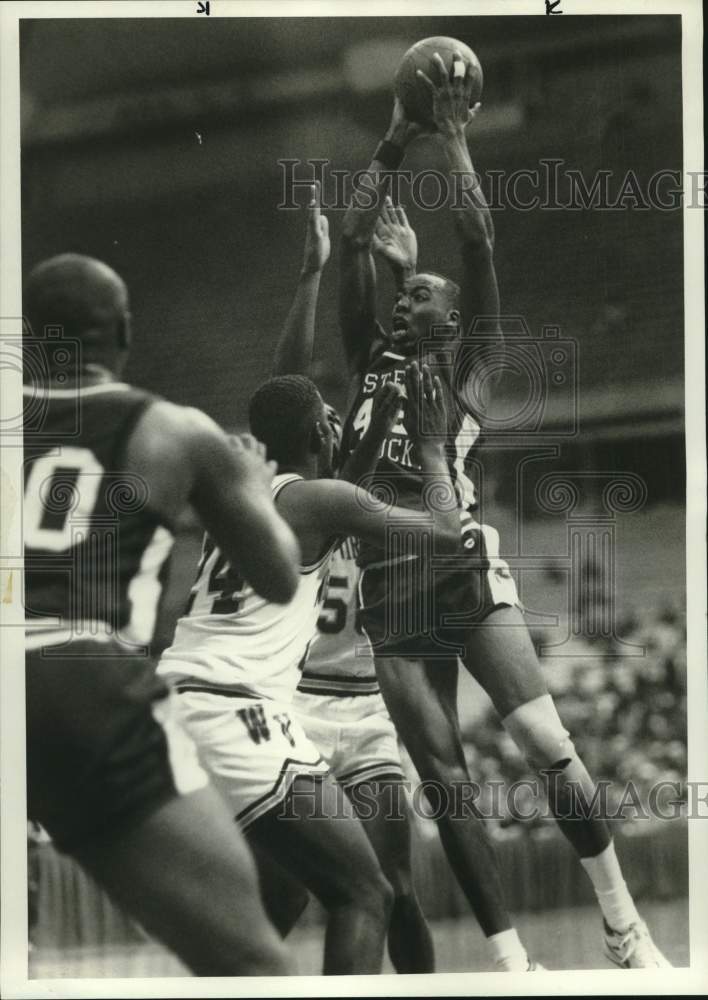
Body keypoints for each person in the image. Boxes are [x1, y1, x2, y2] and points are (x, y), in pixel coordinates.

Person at [338, 51, 670, 969]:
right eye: (401, 294)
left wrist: (448, 138)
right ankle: (513, 968)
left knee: (541, 739)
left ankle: (623, 926)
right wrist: (396, 137)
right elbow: (358, 234)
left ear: (452, 318)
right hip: (384, 573)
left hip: (456, 550)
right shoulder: (366, 353)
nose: (405, 302)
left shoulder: (470, 364)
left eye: (421, 294)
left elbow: (479, 242)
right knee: (445, 782)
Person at [23, 252, 298, 976]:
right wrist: (249, 489)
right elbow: (278, 575)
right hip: (76, 678)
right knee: (250, 961)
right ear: (123, 330)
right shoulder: (169, 429)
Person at [158, 358, 459, 975]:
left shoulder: (253, 493)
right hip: (232, 703)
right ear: (321, 433)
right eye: (329, 419)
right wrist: (431, 447)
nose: (335, 424)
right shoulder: (321, 500)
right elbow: (448, 534)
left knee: (288, 891)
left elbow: (338, 491)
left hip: (187, 693)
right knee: (368, 894)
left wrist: (375, 436)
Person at [261, 188, 435, 973]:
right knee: (290, 896)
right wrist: (315, 276)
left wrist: (408, 278)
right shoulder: (301, 493)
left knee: (394, 889)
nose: (337, 422)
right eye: (326, 421)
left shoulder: (368, 482)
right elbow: (286, 391)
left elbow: (410, 370)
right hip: (294, 702)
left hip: (364, 706)